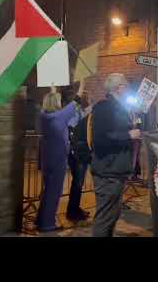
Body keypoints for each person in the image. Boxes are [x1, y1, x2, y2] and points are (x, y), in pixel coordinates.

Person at [90, 73, 142, 237]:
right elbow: (100, 139)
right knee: (105, 218)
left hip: (116, 171)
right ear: (120, 88)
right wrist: (128, 135)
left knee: (112, 216)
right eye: (126, 85)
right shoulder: (104, 107)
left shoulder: (120, 108)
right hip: (107, 172)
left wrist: (131, 127)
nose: (128, 88)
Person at [36, 80, 86, 232]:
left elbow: (51, 100)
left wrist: (52, 88)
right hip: (58, 159)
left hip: (46, 158)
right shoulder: (61, 116)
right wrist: (82, 83)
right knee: (53, 193)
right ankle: (48, 224)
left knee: (47, 191)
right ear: (56, 103)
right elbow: (77, 100)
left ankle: (40, 220)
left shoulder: (43, 116)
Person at [66, 90, 93, 222]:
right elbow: (74, 129)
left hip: (81, 151)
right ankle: (72, 212)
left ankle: (75, 209)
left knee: (79, 183)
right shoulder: (74, 113)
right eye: (85, 96)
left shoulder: (81, 111)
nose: (87, 98)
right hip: (76, 152)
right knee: (77, 183)